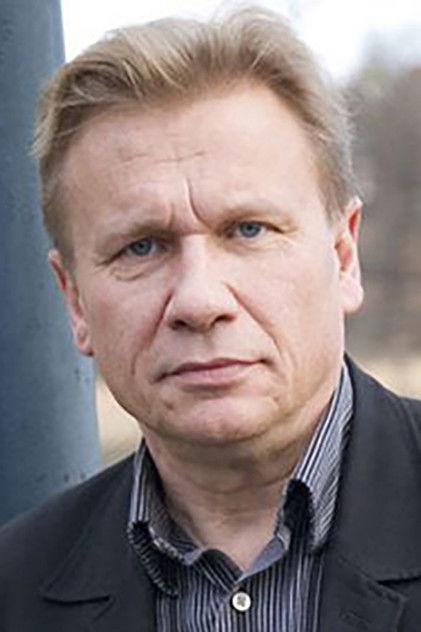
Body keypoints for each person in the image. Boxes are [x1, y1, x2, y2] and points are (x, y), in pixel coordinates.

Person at [1, 6, 421, 631]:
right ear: (76, 301)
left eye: (248, 230)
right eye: (142, 247)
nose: (199, 301)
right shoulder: (14, 589)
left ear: (343, 257)